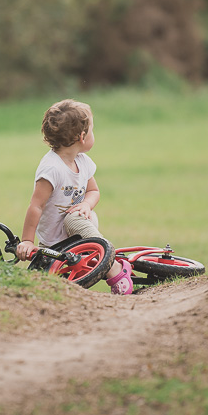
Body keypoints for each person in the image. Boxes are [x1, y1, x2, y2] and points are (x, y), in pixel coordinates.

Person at [14, 99, 133, 295]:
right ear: (83, 136)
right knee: (47, 281)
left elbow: (93, 191)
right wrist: (27, 241)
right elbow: (36, 206)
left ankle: (115, 268)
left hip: (79, 223)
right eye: (93, 130)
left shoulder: (84, 163)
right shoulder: (52, 169)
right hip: (53, 238)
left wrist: (86, 205)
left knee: (72, 218)